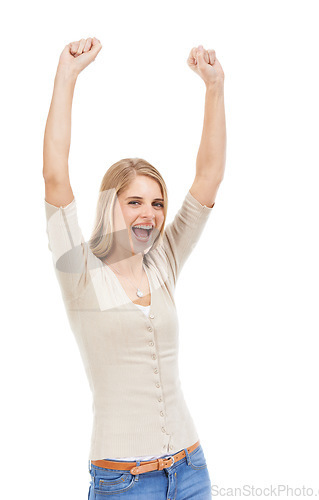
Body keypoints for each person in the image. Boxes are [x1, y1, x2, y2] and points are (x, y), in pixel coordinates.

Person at [43, 37, 226, 499]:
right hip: (124, 482)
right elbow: (55, 176)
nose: (150, 214)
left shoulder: (163, 260)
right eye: (135, 202)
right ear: (110, 204)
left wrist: (214, 87)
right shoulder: (79, 271)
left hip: (190, 470)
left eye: (158, 203)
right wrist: (66, 76)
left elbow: (208, 178)